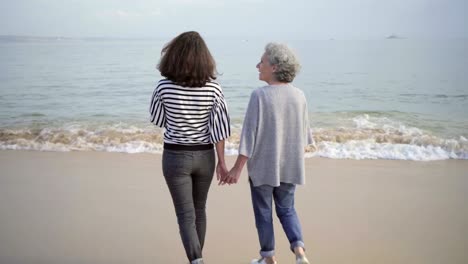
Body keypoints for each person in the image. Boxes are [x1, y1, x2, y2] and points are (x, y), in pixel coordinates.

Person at [221, 43, 312, 264]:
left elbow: (249, 136)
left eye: (261, 62)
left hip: (263, 168)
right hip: (290, 166)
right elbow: (305, 136)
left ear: (274, 66)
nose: (257, 66)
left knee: (263, 213)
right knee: (287, 209)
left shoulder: (259, 96)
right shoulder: (299, 95)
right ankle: (299, 252)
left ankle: (268, 258)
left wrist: (236, 168)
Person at [149, 31, 230, 264]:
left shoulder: (163, 86)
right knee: (199, 210)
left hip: (175, 156)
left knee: (185, 215)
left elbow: (157, 120)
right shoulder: (214, 88)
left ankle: (197, 260)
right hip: (205, 156)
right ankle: (197, 258)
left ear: (173, 56)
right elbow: (220, 129)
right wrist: (223, 164)